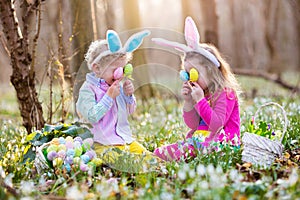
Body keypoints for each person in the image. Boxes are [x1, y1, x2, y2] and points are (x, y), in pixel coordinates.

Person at [152, 16, 242, 161]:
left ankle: (180, 155)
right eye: (186, 73)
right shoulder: (202, 91)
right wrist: (188, 102)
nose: (189, 78)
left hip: (224, 144)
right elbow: (193, 124)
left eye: (193, 73)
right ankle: (160, 156)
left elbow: (216, 124)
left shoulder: (226, 93)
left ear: (211, 71)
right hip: (202, 140)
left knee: (188, 149)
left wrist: (200, 100)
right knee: (162, 151)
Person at [76, 29, 155, 171]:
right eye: (115, 69)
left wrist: (128, 96)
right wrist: (108, 97)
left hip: (123, 139)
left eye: (123, 69)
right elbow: (92, 116)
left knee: (149, 159)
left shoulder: (116, 85)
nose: (120, 74)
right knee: (124, 162)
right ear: (97, 68)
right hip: (100, 142)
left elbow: (130, 111)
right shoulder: (88, 90)